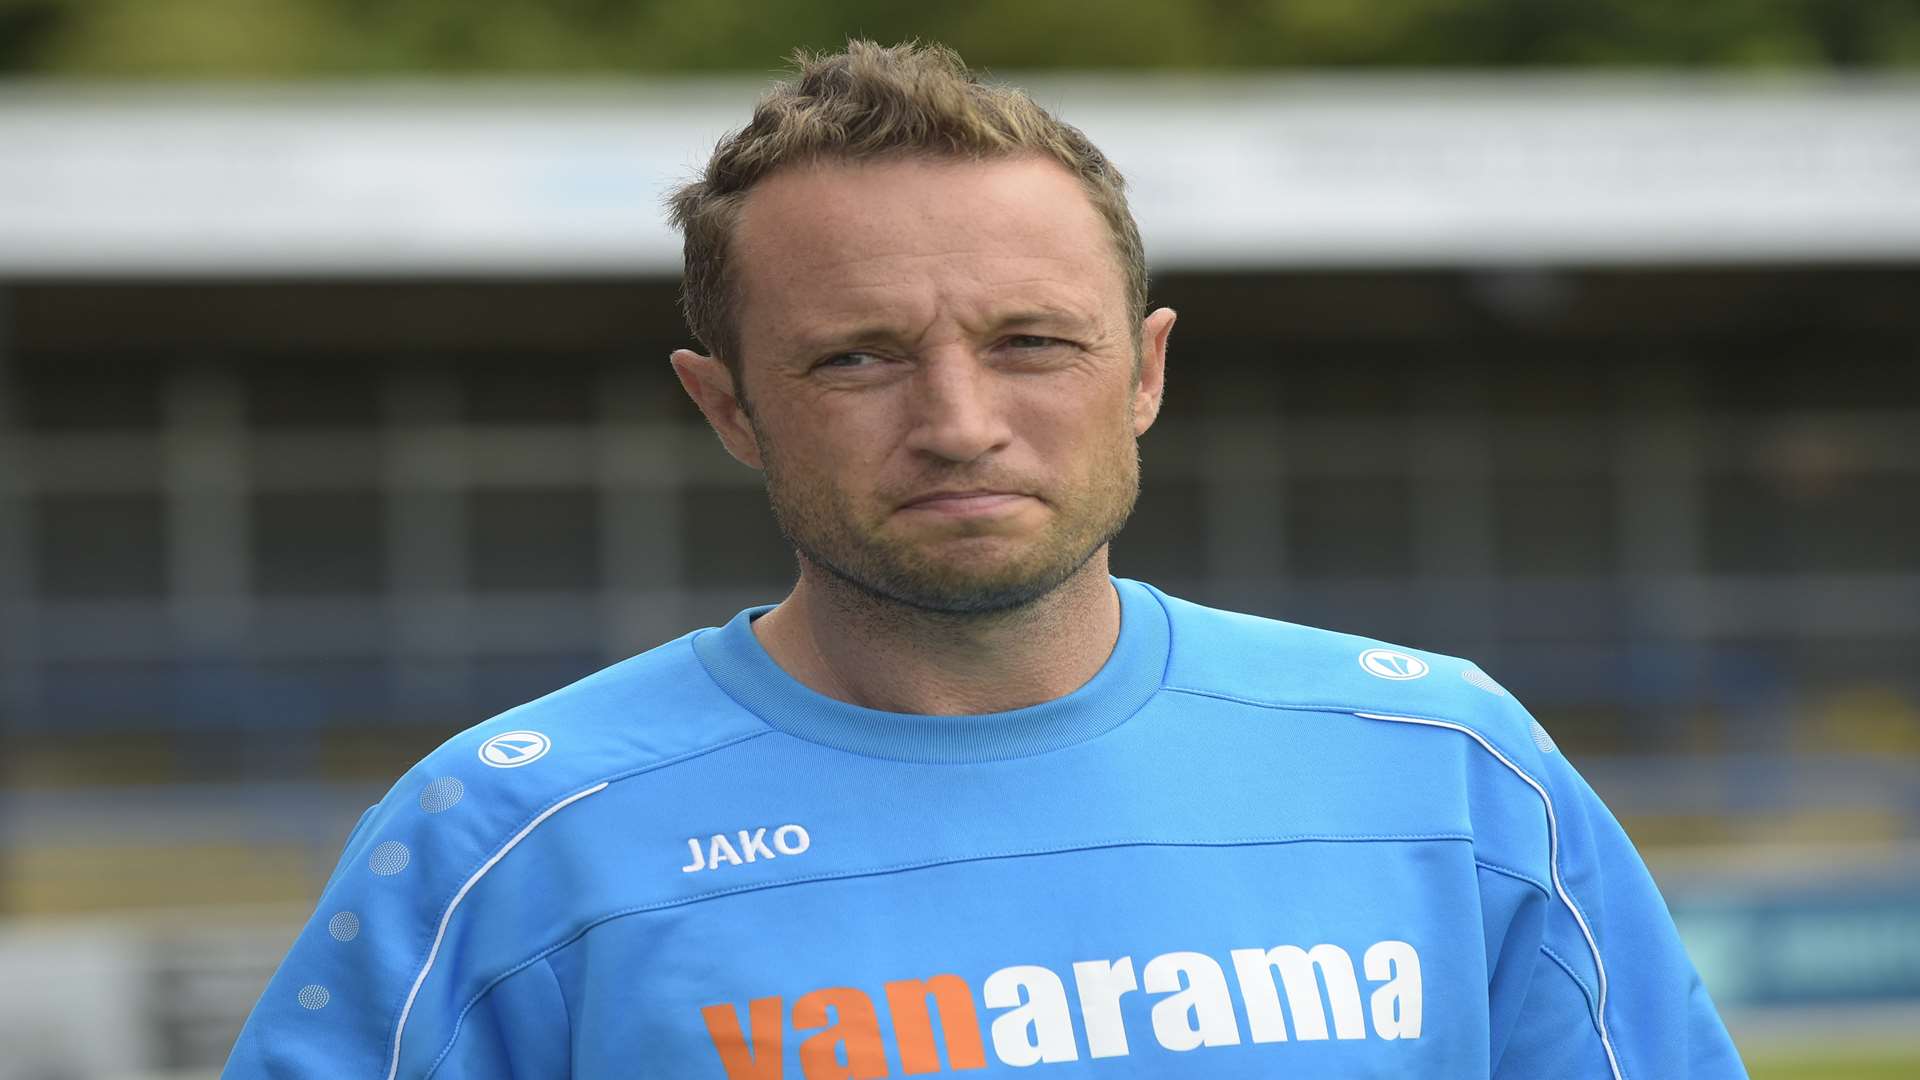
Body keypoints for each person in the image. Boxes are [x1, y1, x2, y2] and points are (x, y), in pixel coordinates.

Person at [225, 39, 1746, 1079]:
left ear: (1142, 374)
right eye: (857, 360)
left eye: (1032, 344)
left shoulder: (1449, 763)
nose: (959, 423)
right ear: (728, 405)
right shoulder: (503, 832)